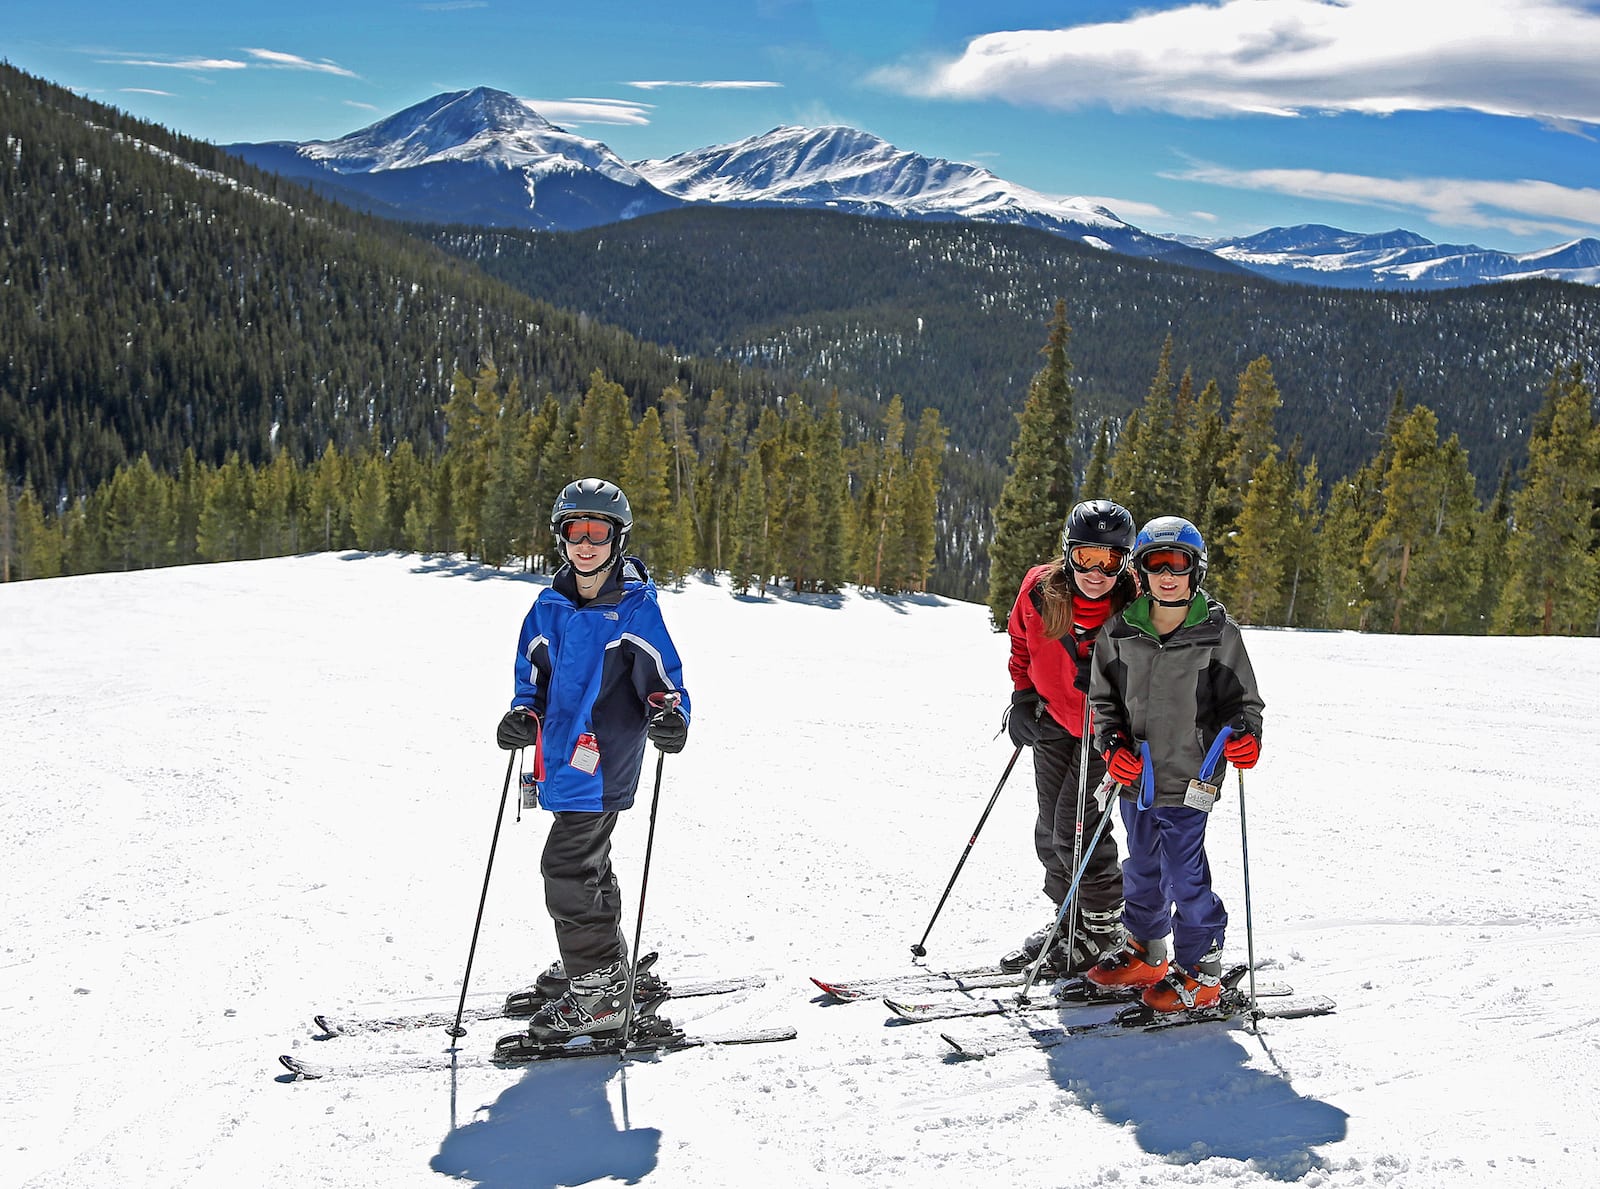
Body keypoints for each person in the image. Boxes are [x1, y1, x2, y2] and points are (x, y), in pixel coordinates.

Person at [495, 477, 691, 1041]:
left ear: (617, 539)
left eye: (597, 533)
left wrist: (670, 716)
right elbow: (531, 678)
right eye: (574, 531)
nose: (586, 544)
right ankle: (602, 968)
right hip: (559, 758)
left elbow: (663, 681)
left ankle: (600, 994)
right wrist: (522, 715)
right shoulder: (548, 606)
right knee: (589, 865)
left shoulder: (634, 610)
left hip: (604, 759)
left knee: (568, 867)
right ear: (561, 538)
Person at [1083, 516, 1264, 1012]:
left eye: (1177, 564)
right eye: (1155, 564)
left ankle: (1202, 966)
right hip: (1136, 778)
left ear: (1195, 570)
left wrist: (1246, 737)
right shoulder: (1120, 632)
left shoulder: (1217, 633)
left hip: (1191, 777)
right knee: (1141, 865)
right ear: (1140, 571)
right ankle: (1147, 948)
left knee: (1184, 872)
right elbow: (1103, 703)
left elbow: (1243, 703)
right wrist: (1113, 745)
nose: (1167, 575)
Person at [1000, 499, 1138, 975]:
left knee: (1075, 829)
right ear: (1069, 553)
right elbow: (1021, 641)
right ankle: (1069, 919)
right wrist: (1021, 697)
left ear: (1125, 562)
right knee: (1048, 830)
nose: (1097, 572)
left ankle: (1101, 931)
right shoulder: (1040, 591)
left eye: (1111, 560)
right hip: (1055, 720)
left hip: (1107, 734)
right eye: (1086, 557)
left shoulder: (1136, 607)